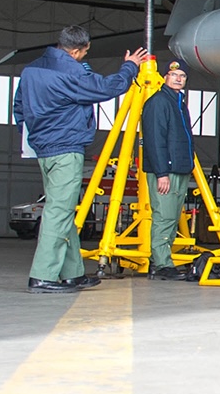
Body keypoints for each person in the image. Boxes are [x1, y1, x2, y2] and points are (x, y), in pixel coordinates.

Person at [15, 26, 149, 293]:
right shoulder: (71, 73)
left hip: (44, 149)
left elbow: (19, 108)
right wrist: (130, 67)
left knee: (62, 209)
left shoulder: (30, 71)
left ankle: (72, 273)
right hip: (66, 148)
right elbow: (107, 88)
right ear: (77, 50)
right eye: (84, 52)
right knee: (58, 212)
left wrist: (36, 138)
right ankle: (42, 276)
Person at [140, 61, 197, 280]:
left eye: (182, 75)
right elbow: (154, 140)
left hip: (180, 169)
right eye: (173, 74)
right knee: (164, 216)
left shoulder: (179, 103)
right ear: (165, 76)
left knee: (172, 217)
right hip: (167, 171)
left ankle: (162, 261)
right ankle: (162, 264)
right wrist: (162, 172)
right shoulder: (159, 102)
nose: (178, 79)